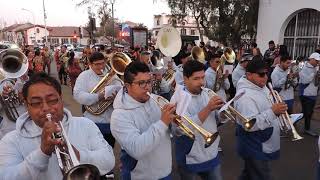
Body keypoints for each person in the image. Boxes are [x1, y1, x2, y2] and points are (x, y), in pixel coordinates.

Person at [0, 73, 115, 179]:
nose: (45, 108)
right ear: (26, 105)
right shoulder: (10, 140)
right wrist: (42, 153)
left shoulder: (85, 124)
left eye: (52, 100)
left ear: (61, 99)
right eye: (36, 103)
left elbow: (109, 161)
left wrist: (79, 155)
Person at [111, 61, 175, 179]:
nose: (147, 87)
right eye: (141, 83)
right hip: (140, 175)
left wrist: (175, 123)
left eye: (149, 82)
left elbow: (173, 132)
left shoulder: (158, 99)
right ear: (127, 86)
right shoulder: (119, 115)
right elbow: (137, 149)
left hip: (165, 171)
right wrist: (163, 122)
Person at [234, 59, 288, 180]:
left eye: (267, 73)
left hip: (261, 140)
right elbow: (250, 125)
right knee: (262, 175)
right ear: (248, 75)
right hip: (255, 145)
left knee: (249, 173)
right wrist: (273, 112)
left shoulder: (260, 86)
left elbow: (266, 107)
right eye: (261, 74)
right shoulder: (245, 97)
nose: (265, 77)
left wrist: (278, 111)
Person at [171, 60, 224, 180]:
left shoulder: (207, 92)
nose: (201, 82)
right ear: (185, 79)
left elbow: (218, 118)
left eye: (203, 77)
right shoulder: (177, 99)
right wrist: (208, 108)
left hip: (211, 151)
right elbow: (182, 129)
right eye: (196, 79)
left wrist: (223, 112)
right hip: (190, 155)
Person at [73, 52, 122, 147]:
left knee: (109, 148)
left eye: (102, 63)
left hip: (110, 121)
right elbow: (77, 94)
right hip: (92, 120)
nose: (101, 66)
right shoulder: (84, 76)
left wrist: (117, 96)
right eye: (97, 64)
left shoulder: (113, 76)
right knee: (94, 149)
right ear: (90, 65)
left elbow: (121, 90)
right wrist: (98, 97)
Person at [0, 75, 28, 139]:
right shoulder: (3, 83)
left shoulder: (24, 80)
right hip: (9, 127)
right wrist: (3, 98)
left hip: (27, 124)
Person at [298, 52, 320, 136]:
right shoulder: (303, 67)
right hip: (305, 94)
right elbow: (304, 80)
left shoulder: (315, 68)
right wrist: (314, 74)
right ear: (311, 59)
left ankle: (293, 122)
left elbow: (316, 82)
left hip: (313, 93)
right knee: (306, 112)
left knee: (307, 112)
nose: (318, 63)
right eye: (317, 61)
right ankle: (306, 129)